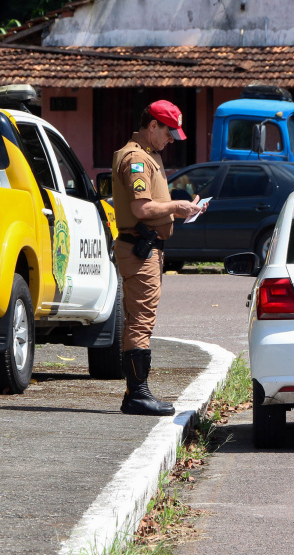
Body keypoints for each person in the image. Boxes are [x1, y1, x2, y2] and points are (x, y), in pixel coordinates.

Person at [111, 100, 206, 416]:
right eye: (169, 133)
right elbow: (141, 209)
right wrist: (176, 207)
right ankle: (137, 395)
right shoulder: (136, 160)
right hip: (139, 250)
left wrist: (181, 209)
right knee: (140, 322)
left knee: (140, 320)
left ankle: (136, 393)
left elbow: (152, 207)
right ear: (152, 125)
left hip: (147, 247)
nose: (171, 140)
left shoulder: (148, 156)